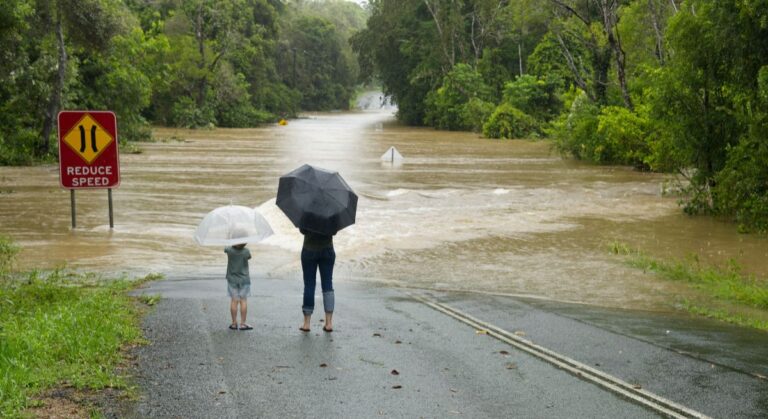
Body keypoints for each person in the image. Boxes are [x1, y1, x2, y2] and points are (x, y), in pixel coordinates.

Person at [299, 228, 335, 333]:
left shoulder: (308, 216)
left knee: (309, 285)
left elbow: (303, 230)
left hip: (309, 249)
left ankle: (306, 324)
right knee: (328, 285)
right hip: (327, 249)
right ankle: (329, 323)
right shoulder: (330, 216)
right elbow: (334, 231)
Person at [225, 243, 253, 330]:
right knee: (243, 300)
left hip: (232, 279)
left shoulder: (229, 250)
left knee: (234, 300)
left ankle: (234, 323)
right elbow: (249, 257)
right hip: (244, 280)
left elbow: (225, 249)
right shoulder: (246, 251)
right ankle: (243, 324)